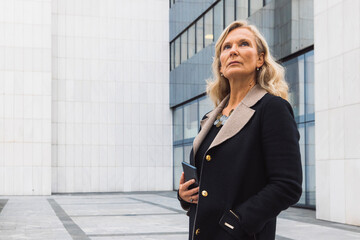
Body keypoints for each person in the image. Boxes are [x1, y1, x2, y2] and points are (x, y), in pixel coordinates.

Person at [177, 20, 303, 240]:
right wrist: (184, 195)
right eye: (227, 47)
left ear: (260, 59)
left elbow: (287, 185)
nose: (233, 50)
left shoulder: (272, 108)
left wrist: (236, 223)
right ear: (221, 65)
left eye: (243, 44)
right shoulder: (210, 119)